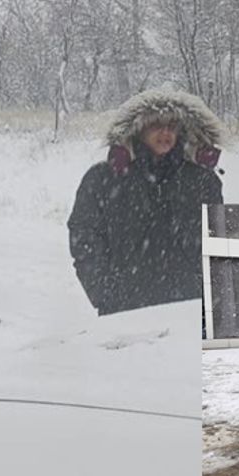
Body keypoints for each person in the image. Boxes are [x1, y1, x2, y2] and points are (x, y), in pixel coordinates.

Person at [67, 89, 224, 316]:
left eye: (172, 126)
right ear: (138, 130)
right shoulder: (103, 178)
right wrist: (105, 291)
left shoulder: (202, 180)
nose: (165, 132)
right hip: (124, 312)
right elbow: (85, 237)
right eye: (156, 125)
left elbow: (218, 241)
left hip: (188, 309)